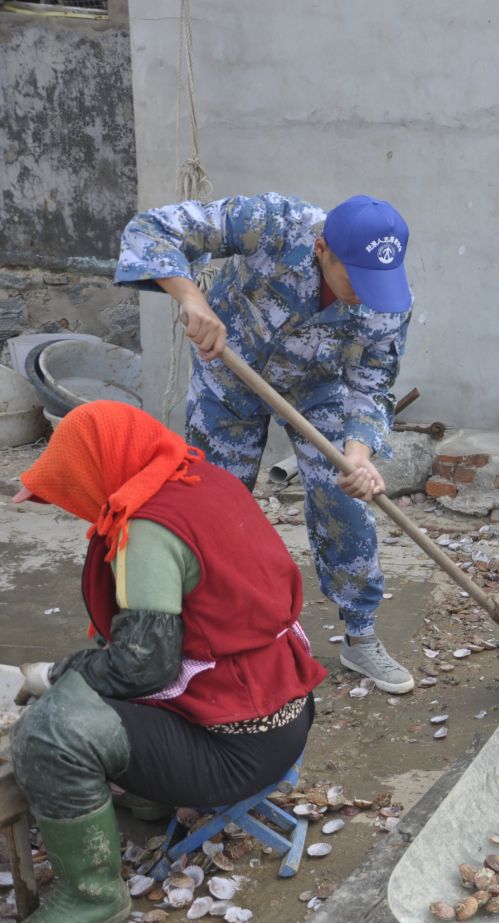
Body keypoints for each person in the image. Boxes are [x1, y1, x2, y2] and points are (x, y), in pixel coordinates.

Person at [1, 402, 326, 923]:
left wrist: (50, 675)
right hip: (284, 710)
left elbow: (141, 666)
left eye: (73, 489)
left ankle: (91, 898)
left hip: (235, 752)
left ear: (98, 469)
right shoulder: (201, 478)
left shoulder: (150, 526)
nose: (76, 504)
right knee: (97, 680)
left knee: (49, 733)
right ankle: (150, 798)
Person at [115, 192, 415, 693]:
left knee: (345, 499)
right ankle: (201, 632)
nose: (367, 293)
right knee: (213, 505)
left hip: (317, 389)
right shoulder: (273, 222)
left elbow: (372, 385)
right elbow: (151, 229)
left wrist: (358, 456)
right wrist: (192, 299)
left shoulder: (387, 301)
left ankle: (360, 636)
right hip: (228, 373)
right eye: (355, 278)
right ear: (321, 249)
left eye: (377, 280)